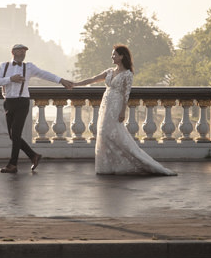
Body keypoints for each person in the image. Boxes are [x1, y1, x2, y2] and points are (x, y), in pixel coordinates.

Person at [74, 44, 176, 176]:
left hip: (116, 105)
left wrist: (122, 111)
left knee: (113, 134)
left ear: (121, 56)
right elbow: (93, 79)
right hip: (106, 104)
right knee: (103, 134)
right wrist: (75, 84)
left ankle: (134, 161)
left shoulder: (127, 74)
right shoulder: (110, 71)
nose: (112, 57)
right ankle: (107, 165)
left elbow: (126, 94)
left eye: (114, 55)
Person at [0, 43, 74, 174]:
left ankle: (12, 164)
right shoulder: (4, 66)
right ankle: (33, 156)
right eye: (20, 51)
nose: (23, 54)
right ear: (13, 52)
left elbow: (44, 74)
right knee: (13, 135)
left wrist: (61, 80)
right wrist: (11, 79)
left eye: (24, 52)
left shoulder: (28, 67)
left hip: (22, 102)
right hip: (8, 102)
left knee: (16, 134)